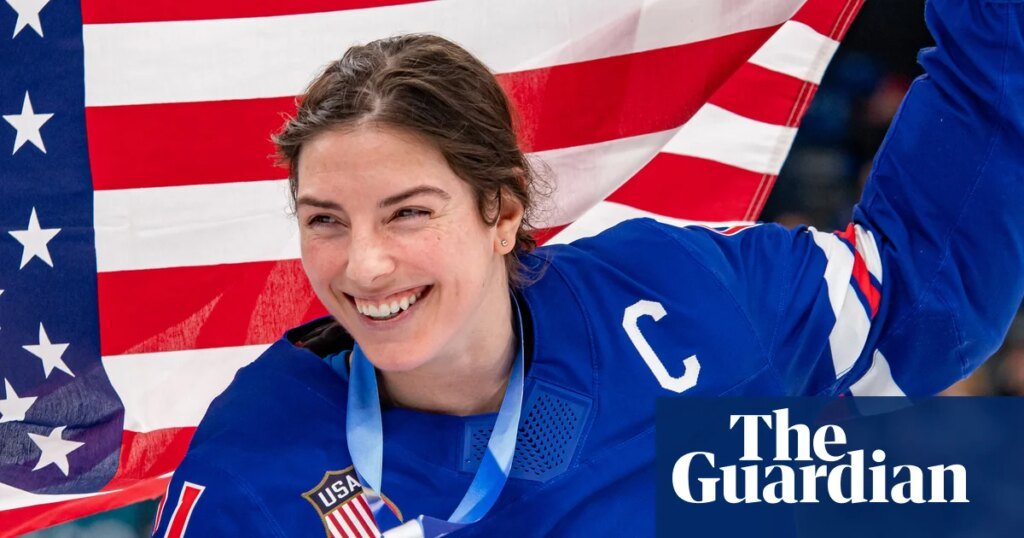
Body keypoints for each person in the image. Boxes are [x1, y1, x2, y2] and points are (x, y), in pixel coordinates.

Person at [153, 1, 1024, 536]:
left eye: (408, 212)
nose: (365, 264)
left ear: (502, 211)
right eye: (325, 221)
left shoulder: (674, 302)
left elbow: (921, 297)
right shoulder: (253, 468)